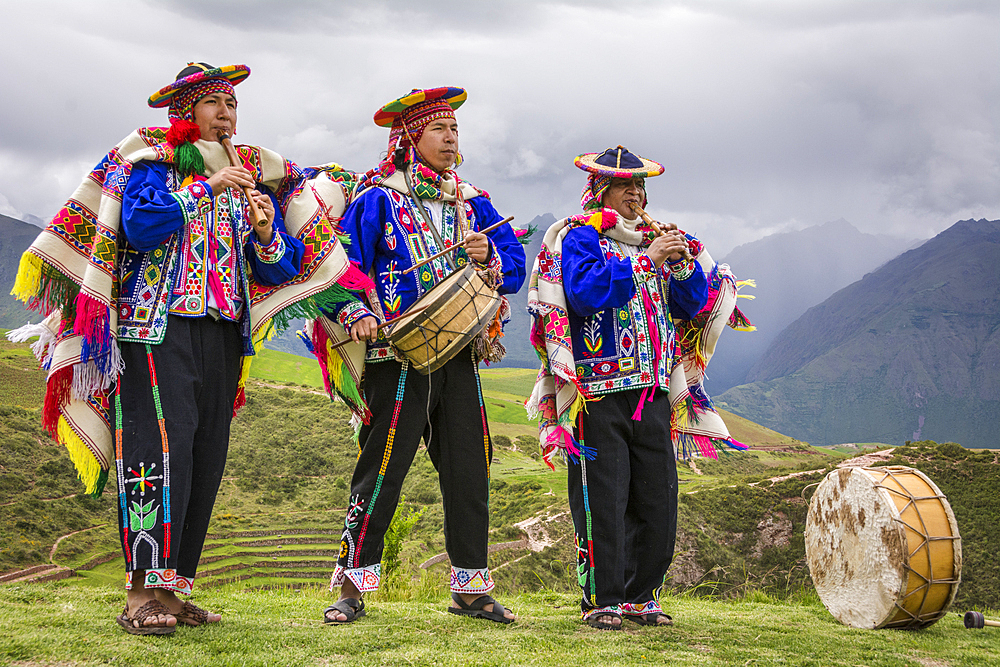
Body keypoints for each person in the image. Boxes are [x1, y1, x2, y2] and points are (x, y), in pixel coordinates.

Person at [10, 63, 364, 635]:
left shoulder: (245, 175)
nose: (227, 114)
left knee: (204, 455)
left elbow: (272, 267)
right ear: (186, 111)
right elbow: (142, 225)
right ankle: (139, 593)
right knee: (154, 454)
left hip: (223, 333)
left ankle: (175, 592)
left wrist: (268, 230)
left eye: (232, 105)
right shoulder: (154, 162)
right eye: (215, 104)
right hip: (156, 329)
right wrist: (205, 190)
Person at [315, 87, 525, 625]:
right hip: (397, 356)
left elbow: (515, 268)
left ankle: (471, 589)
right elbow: (342, 269)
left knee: (468, 468)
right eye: (439, 129)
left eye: (455, 129)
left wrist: (489, 252)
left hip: (458, 353)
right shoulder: (378, 199)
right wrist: (354, 314)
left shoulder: (472, 201)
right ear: (409, 137)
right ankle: (351, 585)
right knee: (383, 469)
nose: (451, 137)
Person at [527, 146, 725, 629]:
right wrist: (644, 264)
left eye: (640, 187)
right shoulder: (580, 237)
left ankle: (642, 595)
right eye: (624, 187)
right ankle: (602, 599)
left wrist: (680, 264)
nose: (635, 195)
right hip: (598, 392)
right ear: (599, 191)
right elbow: (585, 291)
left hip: (653, 391)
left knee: (657, 497)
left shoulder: (653, 238)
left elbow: (693, 304)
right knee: (603, 499)